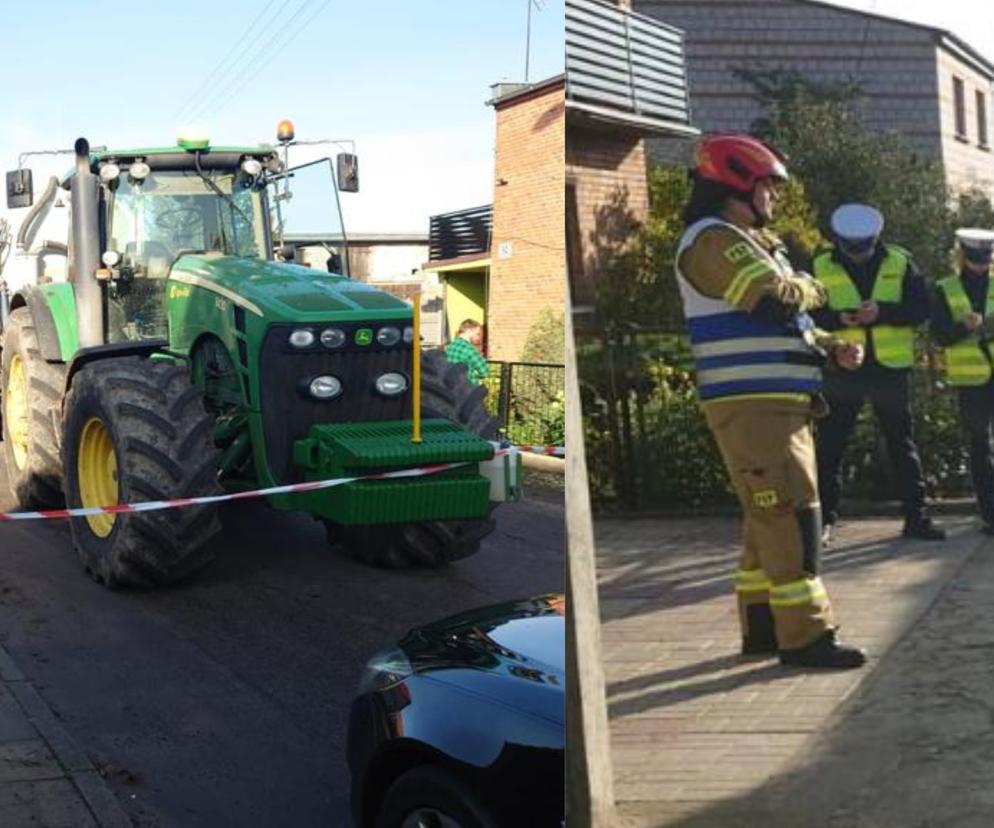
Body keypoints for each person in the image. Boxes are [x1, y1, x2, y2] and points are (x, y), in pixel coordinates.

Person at [675, 134, 866, 669]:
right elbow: (772, 301)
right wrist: (813, 287)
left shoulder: (753, 244)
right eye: (768, 189)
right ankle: (806, 638)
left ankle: (762, 628)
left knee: (768, 518)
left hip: (775, 403)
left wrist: (830, 347)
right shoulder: (713, 239)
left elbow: (792, 322)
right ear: (739, 185)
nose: (774, 201)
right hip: (753, 406)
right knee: (792, 516)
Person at [811, 204, 945, 543]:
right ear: (839, 241)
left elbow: (921, 309)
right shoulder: (818, 265)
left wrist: (883, 312)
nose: (858, 255)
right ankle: (823, 521)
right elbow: (806, 315)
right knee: (830, 445)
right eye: (850, 248)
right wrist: (839, 319)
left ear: (875, 239)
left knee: (902, 444)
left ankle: (917, 519)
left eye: (864, 247)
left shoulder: (900, 261)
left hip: (889, 367)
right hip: (843, 366)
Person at [930, 228, 994, 533]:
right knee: (980, 447)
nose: (982, 265)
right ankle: (990, 513)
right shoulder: (945, 288)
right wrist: (963, 327)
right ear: (963, 257)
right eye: (976, 259)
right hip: (971, 381)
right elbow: (939, 335)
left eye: (986, 259)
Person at [445, 318, 489, 385]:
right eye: (477, 334)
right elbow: (484, 372)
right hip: (467, 389)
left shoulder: (449, 347)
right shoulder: (470, 349)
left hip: (450, 387)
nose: (478, 338)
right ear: (469, 331)